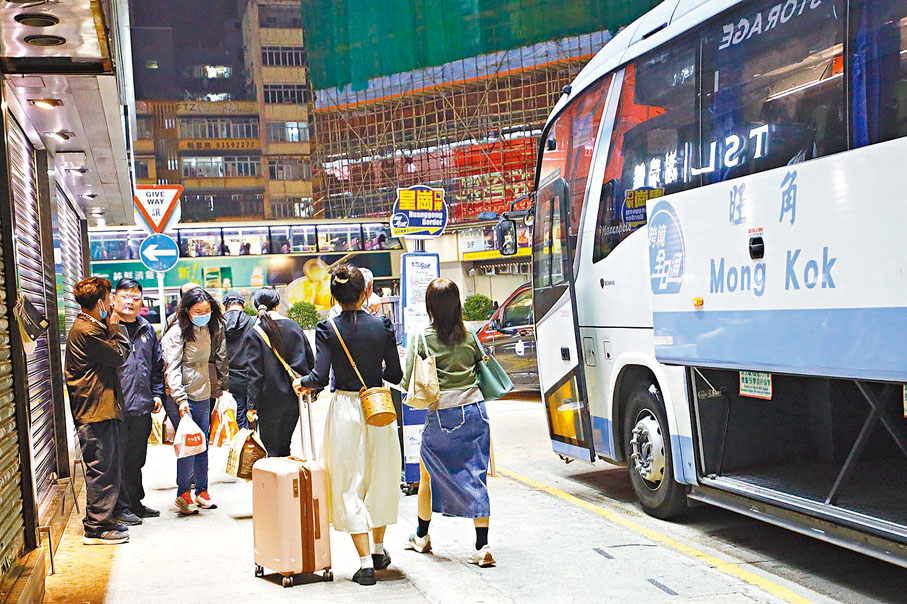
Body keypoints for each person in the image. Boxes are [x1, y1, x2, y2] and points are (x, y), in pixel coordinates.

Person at [295, 265, 403, 586]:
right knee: (380, 475)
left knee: (349, 482)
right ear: (365, 292)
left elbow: (318, 377)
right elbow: (395, 375)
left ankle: (365, 562)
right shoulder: (383, 326)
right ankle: (381, 549)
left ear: (334, 296)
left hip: (344, 408)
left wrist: (300, 382)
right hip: (377, 407)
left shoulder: (327, 329)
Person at [400, 278, 495, 567]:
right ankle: (482, 545)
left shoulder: (420, 337)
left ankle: (422, 536)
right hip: (476, 411)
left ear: (430, 306)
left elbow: (407, 382)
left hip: (443, 415)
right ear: (457, 305)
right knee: (476, 475)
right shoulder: (470, 335)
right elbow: (482, 366)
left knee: (427, 475)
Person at [64, 277, 132, 545]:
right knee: (101, 469)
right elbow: (118, 355)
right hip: (94, 411)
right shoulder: (86, 331)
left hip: (101, 409)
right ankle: (95, 527)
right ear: (101, 301)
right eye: (110, 297)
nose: (113, 302)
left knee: (107, 468)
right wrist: (116, 329)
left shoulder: (92, 326)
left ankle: (103, 518)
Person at [161, 287, 228, 515]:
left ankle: (202, 491)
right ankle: (183, 493)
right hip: (181, 396)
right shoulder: (176, 333)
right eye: (198, 311)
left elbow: (219, 358)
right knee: (188, 445)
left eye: (207, 310)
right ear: (187, 311)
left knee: (203, 444)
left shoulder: (210, 328)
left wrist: (220, 389)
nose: (203, 314)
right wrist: (180, 399)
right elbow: (171, 368)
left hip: (203, 392)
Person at [113, 278, 165, 521]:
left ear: (142, 301)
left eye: (135, 297)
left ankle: (135, 502)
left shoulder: (147, 329)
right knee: (119, 460)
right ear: (114, 299)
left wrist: (156, 394)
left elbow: (156, 366)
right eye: (125, 296)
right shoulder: (108, 328)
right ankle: (121, 508)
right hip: (116, 408)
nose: (130, 302)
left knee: (137, 459)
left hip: (142, 406)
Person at [245, 288, 314, 456]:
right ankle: (286, 479)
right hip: (293, 395)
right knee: (285, 444)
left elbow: (255, 373)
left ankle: (274, 480)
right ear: (276, 305)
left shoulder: (255, 332)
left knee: (270, 448)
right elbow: (309, 359)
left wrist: (251, 405)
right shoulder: (294, 326)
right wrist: (313, 388)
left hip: (268, 399)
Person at [223, 292, 253, 429]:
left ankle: (241, 443)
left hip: (229, 378)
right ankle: (252, 444)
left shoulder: (218, 324)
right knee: (253, 412)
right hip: (251, 376)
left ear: (225, 307)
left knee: (238, 413)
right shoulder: (252, 321)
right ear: (244, 305)